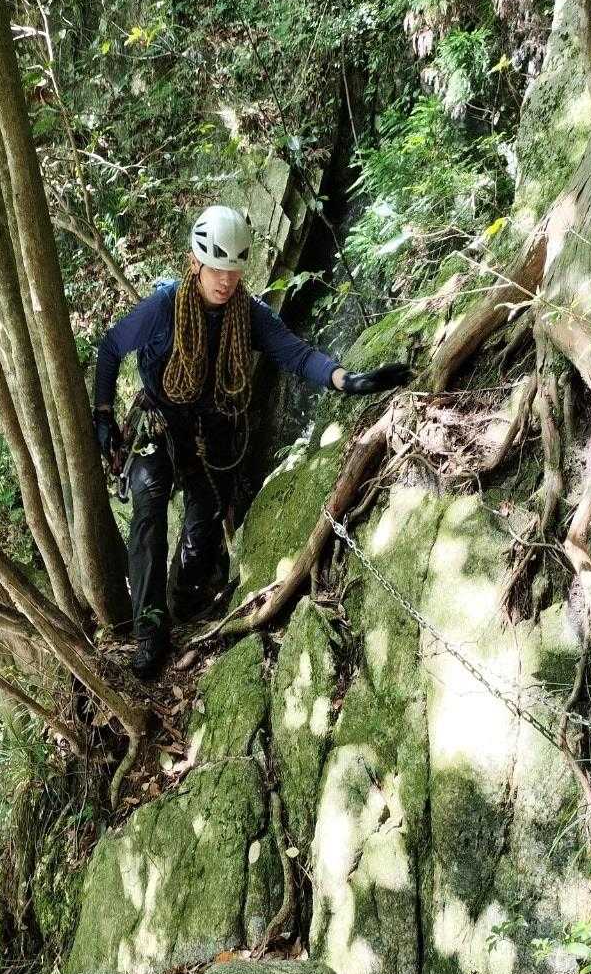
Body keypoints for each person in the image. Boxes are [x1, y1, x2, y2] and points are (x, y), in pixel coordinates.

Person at [93, 204, 407, 678]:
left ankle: (185, 598)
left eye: (234, 270)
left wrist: (346, 380)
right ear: (195, 263)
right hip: (158, 421)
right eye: (216, 269)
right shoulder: (163, 308)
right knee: (149, 510)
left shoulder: (248, 315)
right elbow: (112, 346)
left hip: (209, 432)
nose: (226, 281)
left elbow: (296, 353)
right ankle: (150, 628)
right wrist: (102, 413)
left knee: (204, 519)